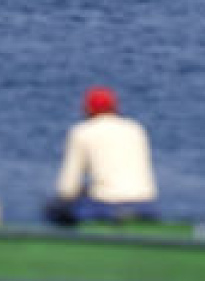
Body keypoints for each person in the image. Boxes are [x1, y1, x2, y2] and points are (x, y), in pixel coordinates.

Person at [46, 86, 160, 225]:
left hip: (107, 207)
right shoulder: (135, 129)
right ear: (115, 107)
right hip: (146, 204)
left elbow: (67, 186)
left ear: (87, 109)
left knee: (55, 209)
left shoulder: (82, 132)